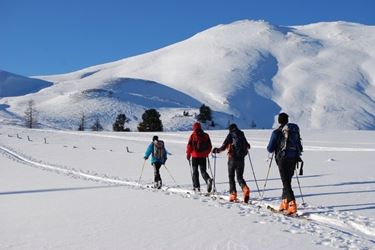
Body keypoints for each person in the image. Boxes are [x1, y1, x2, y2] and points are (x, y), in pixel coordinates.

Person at [267, 112, 303, 215]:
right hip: (294, 158)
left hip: (282, 159)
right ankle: (284, 202)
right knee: (288, 181)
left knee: (285, 182)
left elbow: (270, 149)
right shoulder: (294, 131)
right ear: (287, 120)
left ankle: (292, 204)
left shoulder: (276, 132)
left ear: (279, 121)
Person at [212, 123, 251, 203]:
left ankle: (233, 194)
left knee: (231, 177)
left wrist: (216, 150)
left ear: (230, 129)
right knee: (240, 177)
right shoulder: (241, 134)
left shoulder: (230, 135)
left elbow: (223, 146)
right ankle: (245, 189)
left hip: (232, 159)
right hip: (241, 159)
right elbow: (248, 146)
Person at [186, 122, 213, 192]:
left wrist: (188, 154)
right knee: (203, 171)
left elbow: (189, 146)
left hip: (195, 156)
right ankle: (208, 179)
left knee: (195, 172)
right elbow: (210, 146)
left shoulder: (192, 136)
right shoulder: (206, 135)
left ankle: (196, 187)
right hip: (203, 157)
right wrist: (206, 153)